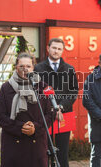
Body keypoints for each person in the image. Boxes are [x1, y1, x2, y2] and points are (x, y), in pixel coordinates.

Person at [0, 52, 52, 167]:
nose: (25, 69)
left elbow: (50, 114)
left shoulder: (42, 87)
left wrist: (35, 127)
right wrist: (20, 127)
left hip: (36, 144)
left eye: (28, 66)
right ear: (16, 67)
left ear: (33, 67)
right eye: (21, 66)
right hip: (13, 142)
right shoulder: (7, 87)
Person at [34, 38, 78, 167]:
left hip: (64, 115)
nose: (56, 51)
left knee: (62, 152)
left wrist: (60, 107)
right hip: (45, 116)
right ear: (48, 48)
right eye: (54, 48)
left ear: (62, 51)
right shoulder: (38, 68)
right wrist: (51, 109)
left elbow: (73, 92)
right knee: (44, 151)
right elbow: (37, 92)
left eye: (59, 49)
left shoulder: (69, 69)